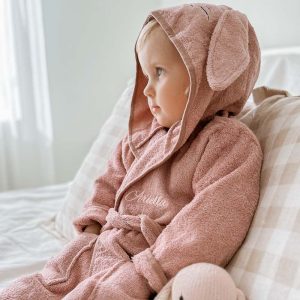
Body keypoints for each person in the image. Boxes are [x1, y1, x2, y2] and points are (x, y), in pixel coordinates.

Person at [0, 3, 262, 299]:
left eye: (159, 72)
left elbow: (211, 222)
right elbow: (108, 183)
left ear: (203, 72)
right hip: (97, 245)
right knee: (35, 287)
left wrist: (152, 267)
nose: (147, 89)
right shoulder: (138, 141)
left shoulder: (227, 143)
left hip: (143, 262)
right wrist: (92, 228)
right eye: (145, 76)